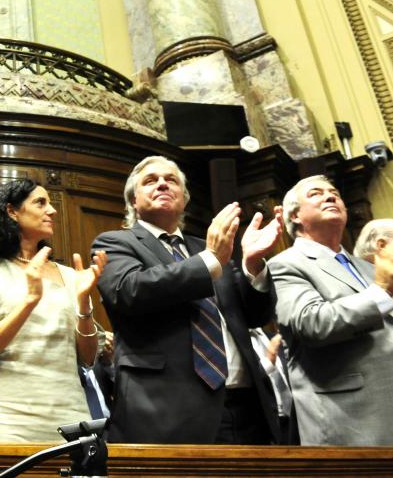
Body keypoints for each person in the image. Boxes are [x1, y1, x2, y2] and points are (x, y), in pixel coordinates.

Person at [93, 155, 283, 444]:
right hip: (167, 409)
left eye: (171, 180)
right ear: (133, 201)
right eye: (150, 180)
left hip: (246, 405)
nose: (162, 184)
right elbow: (128, 291)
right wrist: (209, 260)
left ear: (184, 198)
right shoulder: (115, 242)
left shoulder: (206, 245)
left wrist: (253, 265)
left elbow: (254, 315)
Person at [0, 179, 104, 442]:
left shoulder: (71, 276)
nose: (52, 210)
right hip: (3, 421)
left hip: (68, 416)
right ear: (12, 211)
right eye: (41, 202)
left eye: (51, 203)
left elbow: (88, 358)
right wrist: (29, 300)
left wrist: (84, 302)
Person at [269, 175, 393, 445]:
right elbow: (311, 324)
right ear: (296, 216)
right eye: (316, 193)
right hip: (350, 419)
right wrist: (381, 290)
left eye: (334, 192)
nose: (330, 196)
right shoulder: (285, 264)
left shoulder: (368, 268)